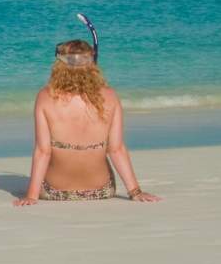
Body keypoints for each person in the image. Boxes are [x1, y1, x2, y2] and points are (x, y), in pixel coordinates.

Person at [14, 37, 161, 206]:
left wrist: (32, 195)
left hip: (55, 191)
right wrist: (135, 192)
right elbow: (116, 149)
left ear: (59, 66)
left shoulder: (45, 97)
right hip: (101, 190)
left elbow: (43, 151)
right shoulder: (110, 96)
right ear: (92, 64)